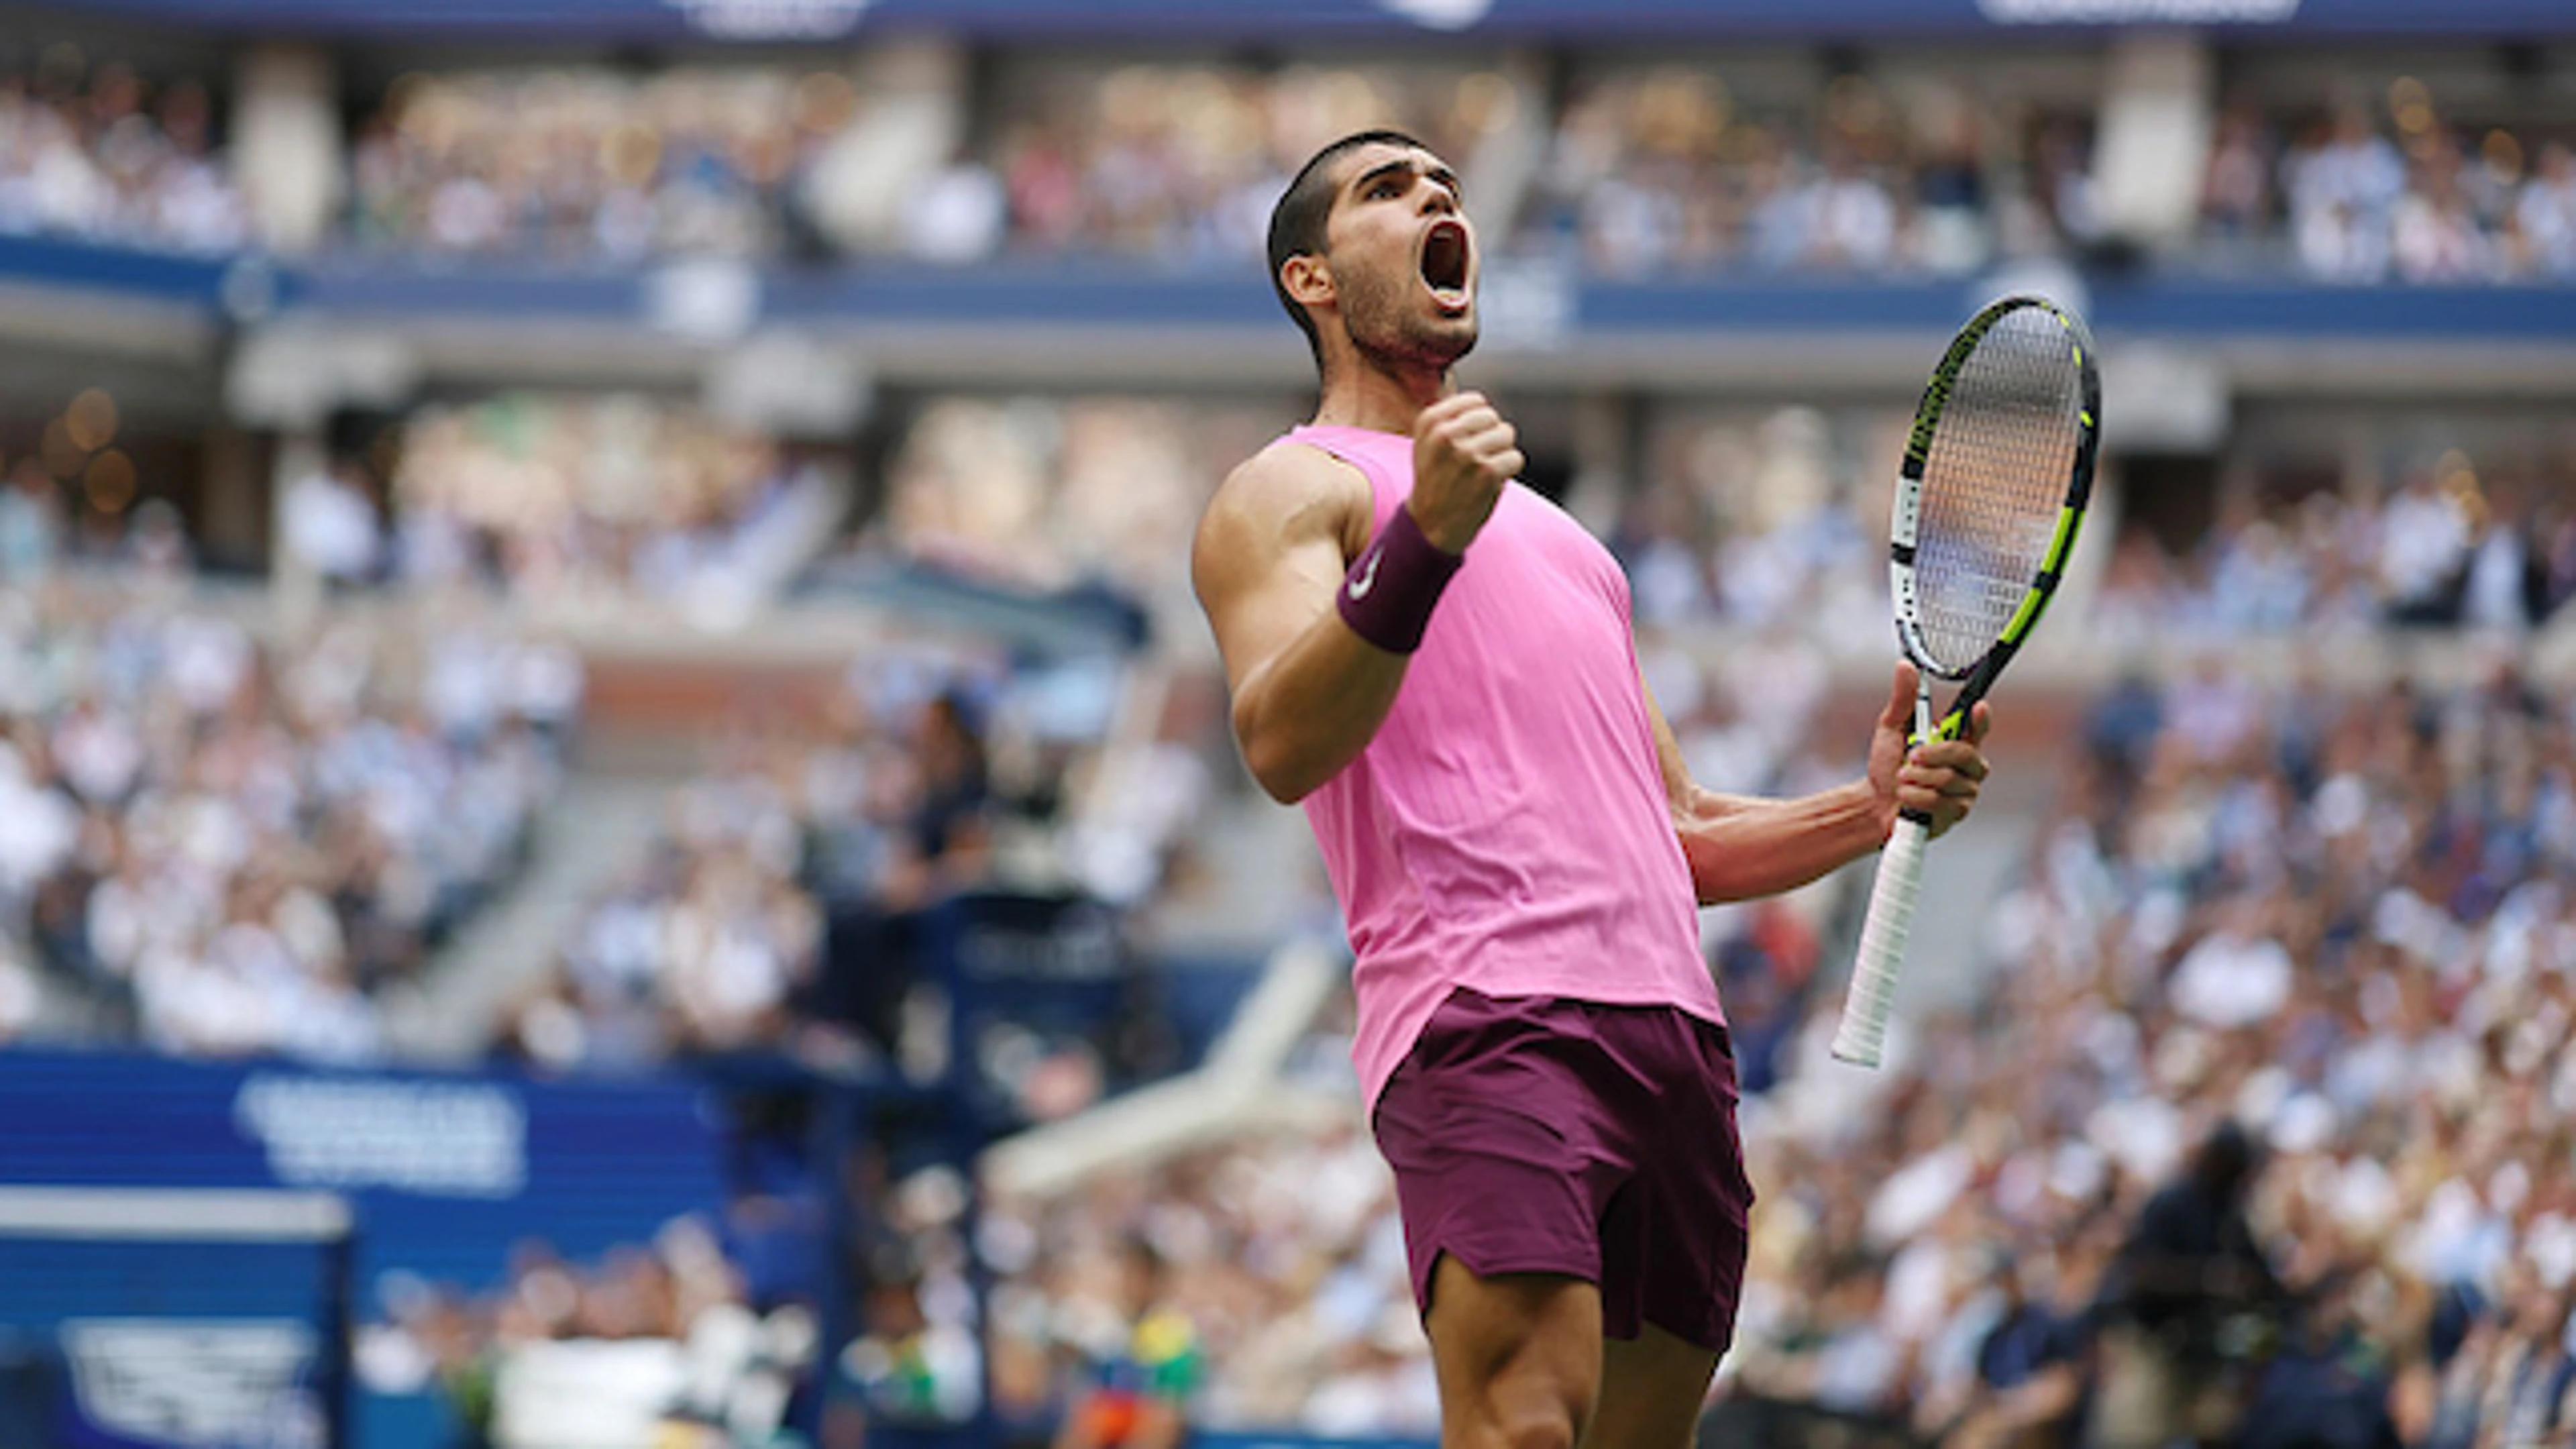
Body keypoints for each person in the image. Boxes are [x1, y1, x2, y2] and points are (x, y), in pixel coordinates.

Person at [1189, 129, 1994, 1449]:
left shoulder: (1566, 543)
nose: (1434, 196)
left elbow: (1675, 832)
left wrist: (1867, 811)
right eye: (1387, 191)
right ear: (1311, 279)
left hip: (1677, 1042)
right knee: (1524, 1426)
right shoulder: (1289, 488)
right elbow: (1280, 743)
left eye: (1444, 185)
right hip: (1489, 1013)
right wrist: (1420, 542)